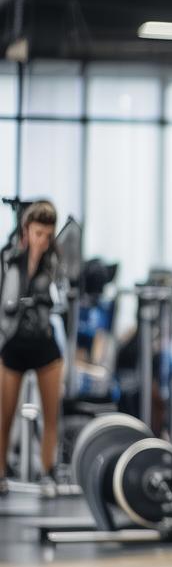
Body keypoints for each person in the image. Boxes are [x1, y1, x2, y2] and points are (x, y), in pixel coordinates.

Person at [0, 199, 64, 497]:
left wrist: (41, 258)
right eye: (38, 233)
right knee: (5, 415)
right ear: (26, 231)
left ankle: (48, 472)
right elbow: (10, 300)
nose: (43, 240)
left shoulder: (55, 261)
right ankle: (1, 474)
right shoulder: (9, 258)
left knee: (51, 416)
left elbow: (59, 295)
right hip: (13, 343)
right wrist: (29, 259)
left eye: (47, 235)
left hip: (43, 343)